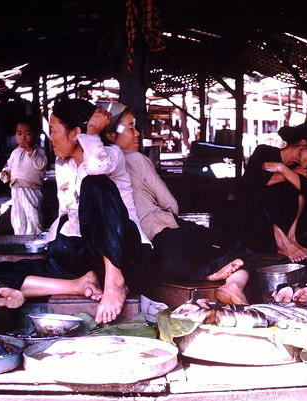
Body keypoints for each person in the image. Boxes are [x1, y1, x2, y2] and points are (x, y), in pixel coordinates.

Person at [0, 99, 151, 323]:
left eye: (53, 130)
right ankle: (76, 285)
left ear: (74, 134)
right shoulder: (64, 165)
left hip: (122, 254)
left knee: (94, 185)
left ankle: (115, 283)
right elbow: (68, 215)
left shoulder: (112, 156)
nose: (50, 138)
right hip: (85, 258)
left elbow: (96, 166)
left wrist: (91, 132)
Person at [107, 102, 255, 305]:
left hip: (138, 256)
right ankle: (232, 285)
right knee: (241, 248)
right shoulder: (134, 158)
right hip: (165, 240)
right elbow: (170, 204)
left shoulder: (91, 167)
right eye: (131, 127)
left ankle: (204, 271)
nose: (137, 133)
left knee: (185, 258)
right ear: (110, 135)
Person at [240, 121, 307, 263]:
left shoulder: (299, 167)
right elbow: (255, 181)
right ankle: (281, 241)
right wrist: (291, 174)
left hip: (288, 225)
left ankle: (291, 238)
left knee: (302, 193)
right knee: (265, 190)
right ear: (303, 144)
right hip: (257, 225)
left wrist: (283, 169)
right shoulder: (264, 152)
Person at [0, 119, 47, 235]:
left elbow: (41, 164)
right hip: (16, 188)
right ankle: (20, 236)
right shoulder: (15, 152)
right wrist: (5, 173)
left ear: (35, 135)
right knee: (17, 215)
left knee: (32, 213)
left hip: (31, 188)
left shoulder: (39, 151)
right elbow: (9, 166)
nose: (23, 138)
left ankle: (35, 236)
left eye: (27, 134)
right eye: (19, 134)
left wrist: (31, 151)